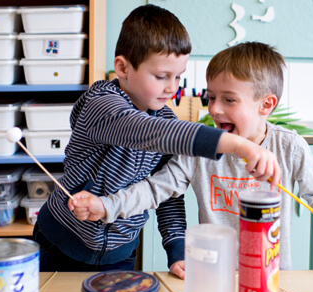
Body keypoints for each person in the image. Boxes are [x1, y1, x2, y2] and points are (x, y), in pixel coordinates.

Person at [69, 42, 313, 284]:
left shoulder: (289, 147)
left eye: (229, 100)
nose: (215, 109)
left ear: (266, 104)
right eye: (211, 97)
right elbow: (156, 189)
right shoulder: (198, 149)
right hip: (210, 277)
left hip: (270, 279)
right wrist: (106, 206)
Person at [33, 5, 280, 274]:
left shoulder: (166, 120)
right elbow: (146, 132)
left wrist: (176, 250)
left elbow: (167, 194)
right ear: (123, 68)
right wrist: (238, 144)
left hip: (121, 252)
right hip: (60, 242)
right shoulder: (101, 104)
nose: (172, 87)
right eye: (162, 76)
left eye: (178, 77)